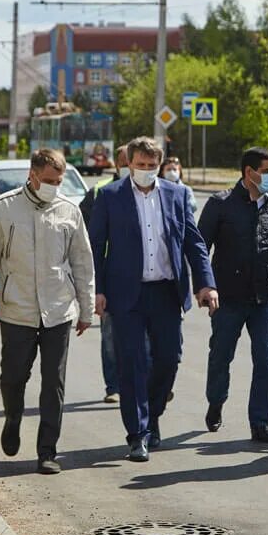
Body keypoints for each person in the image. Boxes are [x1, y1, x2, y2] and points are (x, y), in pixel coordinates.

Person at [88, 136, 217, 462]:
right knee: (132, 364)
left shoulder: (177, 195)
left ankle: (153, 412)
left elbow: (194, 243)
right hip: (125, 294)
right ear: (129, 164)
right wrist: (96, 290)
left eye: (152, 166)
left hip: (165, 291)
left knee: (168, 358)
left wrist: (206, 284)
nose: (146, 171)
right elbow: (95, 247)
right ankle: (138, 434)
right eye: (140, 165)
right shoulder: (110, 196)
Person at [0, 149, 95, 475]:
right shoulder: (4, 208)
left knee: (53, 382)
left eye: (59, 181)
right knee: (13, 378)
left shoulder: (69, 211)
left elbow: (83, 262)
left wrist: (87, 307)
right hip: (17, 310)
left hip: (58, 310)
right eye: (49, 180)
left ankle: (46, 451)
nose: (55, 186)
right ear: (33, 174)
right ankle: (12, 418)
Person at [198, 147, 268, 443]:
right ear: (249, 173)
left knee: (267, 361)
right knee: (221, 355)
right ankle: (216, 402)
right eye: (267, 171)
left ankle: (260, 422)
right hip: (228, 298)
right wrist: (204, 285)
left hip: (266, 299)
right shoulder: (220, 204)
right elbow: (200, 249)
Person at [79, 146, 129, 403]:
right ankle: (114, 386)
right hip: (107, 274)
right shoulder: (99, 191)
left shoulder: (154, 191)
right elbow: (84, 235)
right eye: (123, 162)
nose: (128, 166)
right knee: (110, 335)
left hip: (138, 276)